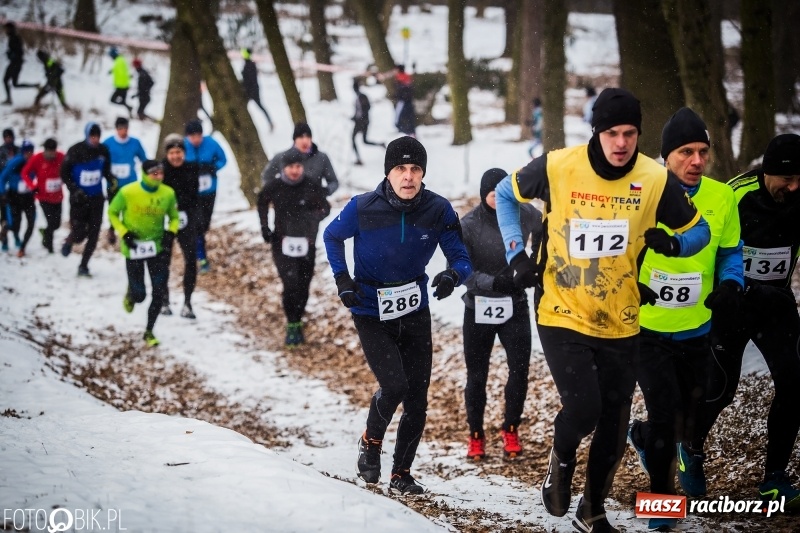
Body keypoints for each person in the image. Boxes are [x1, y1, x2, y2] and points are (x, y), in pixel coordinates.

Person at [495, 87, 710, 532]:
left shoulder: (654, 178)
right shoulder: (558, 165)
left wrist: (673, 243)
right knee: (585, 407)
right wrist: (516, 253)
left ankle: (591, 511)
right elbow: (504, 193)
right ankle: (561, 457)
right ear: (597, 132)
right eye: (612, 133)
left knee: (613, 422)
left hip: (622, 316)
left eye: (630, 133)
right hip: (562, 308)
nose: (621, 143)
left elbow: (700, 231)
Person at [323, 136, 472, 494]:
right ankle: (371, 443)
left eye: (415, 169)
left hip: (413, 307)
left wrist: (453, 276)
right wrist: (342, 279)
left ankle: (401, 474)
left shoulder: (438, 209)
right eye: (400, 169)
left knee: (417, 398)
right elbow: (331, 236)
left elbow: (462, 258)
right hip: (370, 307)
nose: (408, 177)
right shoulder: (363, 207)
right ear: (388, 173)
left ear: (423, 173)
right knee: (394, 385)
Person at [626, 108, 743, 531]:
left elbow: (730, 249)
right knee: (664, 413)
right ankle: (661, 502)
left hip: (698, 327)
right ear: (665, 156)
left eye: (702, 152)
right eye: (685, 152)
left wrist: (730, 284)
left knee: (690, 416)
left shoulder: (721, 196)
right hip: (647, 327)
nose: (696, 160)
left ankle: (641, 438)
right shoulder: (641, 192)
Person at [681, 133, 800, 510]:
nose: (794, 187)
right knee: (719, 390)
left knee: (794, 385)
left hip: (777, 306)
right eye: (787, 180)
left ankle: (774, 479)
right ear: (767, 173)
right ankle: (691, 448)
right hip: (732, 306)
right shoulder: (736, 194)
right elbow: (704, 243)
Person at [461, 168, 542, 461]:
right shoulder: (468, 224)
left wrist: (533, 262)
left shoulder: (524, 213)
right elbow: (462, 270)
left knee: (519, 371)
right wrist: (494, 282)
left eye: (501, 193)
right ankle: (476, 435)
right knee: (477, 375)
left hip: (515, 306)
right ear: (483, 194)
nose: (496, 199)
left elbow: (545, 228)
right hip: (478, 307)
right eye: (491, 194)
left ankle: (510, 428)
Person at [257, 147, 330, 346]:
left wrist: (313, 217)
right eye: (290, 167)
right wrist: (265, 227)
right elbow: (261, 201)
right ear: (283, 168)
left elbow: (326, 207)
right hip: (282, 242)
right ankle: (292, 324)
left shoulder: (311, 185)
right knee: (290, 284)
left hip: (307, 243)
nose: (295, 170)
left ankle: (298, 319)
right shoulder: (275, 186)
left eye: (298, 166)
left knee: (304, 286)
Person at [108, 160, 179, 347]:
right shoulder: (128, 192)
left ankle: (149, 331)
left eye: (160, 173)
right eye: (153, 174)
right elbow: (113, 212)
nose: (158, 177)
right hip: (134, 247)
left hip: (157, 247)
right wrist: (124, 233)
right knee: (140, 294)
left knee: (158, 291)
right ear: (144, 174)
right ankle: (131, 294)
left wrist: (171, 232)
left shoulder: (168, 193)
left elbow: (174, 217)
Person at [60, 122, 116, 277]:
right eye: (92, 136)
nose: (95, 139)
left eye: (97, 136)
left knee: (94, 233)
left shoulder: (103, 150)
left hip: (97, 198)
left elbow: (106, 171)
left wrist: (111, 180)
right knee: (80, 233)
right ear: (86, 135)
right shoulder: (75, 150)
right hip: (79, 199)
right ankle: (71, 240)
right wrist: (74, 189)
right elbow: (64, 173)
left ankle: (83, 266)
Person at [160, 133, 200, 319]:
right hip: (165, 221)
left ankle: (187, 302)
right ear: (167, 154)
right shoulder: (160, 170)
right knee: (163, 261)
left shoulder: (191, 169)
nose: (176, 156)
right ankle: (164, 300)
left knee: (191, 260)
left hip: (186, 219)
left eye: (179, 152)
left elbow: (194, 195)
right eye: (172, 153)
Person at [183, 119, 226, 273]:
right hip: (192, 194)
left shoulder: (211, 143)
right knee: (197, 225)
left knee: (204, 224)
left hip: (209, 192)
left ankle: (198, 248)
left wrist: (213, 167)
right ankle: (201, 258)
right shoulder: (182, 146)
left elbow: (223, 159)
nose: (195, 139)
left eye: (198, 136)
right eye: (192, 136)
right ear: (187, 136)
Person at [260, 122, 339, 197]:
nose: (305, 141)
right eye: (301, 137)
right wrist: (277, 194)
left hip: (313, 206)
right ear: (294, 139)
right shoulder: (282, 157)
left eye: (308, 137)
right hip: (288, 206)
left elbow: (333, 182)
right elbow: (266, 177)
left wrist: (324, 192)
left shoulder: (321, 157)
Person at [103, 116, 147, 245]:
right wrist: (107, 175)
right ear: (116, 129)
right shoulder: (108, 143)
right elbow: (103, 162)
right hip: (113, 183)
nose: (123, 131)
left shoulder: (135, 143)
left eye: (126, 128)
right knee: (113, 208)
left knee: (130, 208)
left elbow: (143, 159)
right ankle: (112, 229)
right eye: (121, 129)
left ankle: (129, 230)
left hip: (130, 183)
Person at [20, 137, 65, 254]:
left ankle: (46, 233)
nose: (52, 154)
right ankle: (49, 246)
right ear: (45, 150)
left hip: (58, 197)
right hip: (43, 197)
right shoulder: (37, 158)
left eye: (53, 151)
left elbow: (69, 168)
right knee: (51, 222)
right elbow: (24, 173)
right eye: (49, 151)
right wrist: (32, 186)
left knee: (57, 224)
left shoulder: (61, 157)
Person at [0, 139, 35, 256]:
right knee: (15, 222)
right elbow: (2, 177)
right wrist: (3, 193)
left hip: (27, 196)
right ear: (23, 152)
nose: (29, 154)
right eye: (27, 152)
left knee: (29, 221)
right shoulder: (15, 162)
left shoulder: (33, 162)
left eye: (31, 152)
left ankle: (20, 242)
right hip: (14, 196)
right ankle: (6, 236)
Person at [351, 78, 384, 165]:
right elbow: (359, 111)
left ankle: (358, 159)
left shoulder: (361, 97)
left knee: (355, 139)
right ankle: (380, 144)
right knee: (364, 141)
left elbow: (365, 109)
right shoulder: (359, 97)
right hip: (362, 121)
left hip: (362, 122)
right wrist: (354, 117)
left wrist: (360, 119)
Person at [240, 48, 274, 131]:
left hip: (252, 91)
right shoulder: (249, 64)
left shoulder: (250, 65)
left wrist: (247, 88)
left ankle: (270, 122)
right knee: (243, 108)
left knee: (258, 106)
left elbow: (250, 80)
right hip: (250, 90)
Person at [3, 22, 37, 105]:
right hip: (16, 62)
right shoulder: (13, 37)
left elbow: (19, 52)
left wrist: (11, 55)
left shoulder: (14, 38)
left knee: (6, 80)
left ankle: (9, 100)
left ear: (10, 29)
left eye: (6, 29)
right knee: (14, 84)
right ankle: (36, 86)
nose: (5, 31)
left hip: (16, 63)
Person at [0, 128, 17, 251]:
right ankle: (5, 240)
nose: (8, 139)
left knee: (16, 215)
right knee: (4, 216)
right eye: (6, 137)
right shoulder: (1, 151)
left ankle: (16, 236)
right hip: (2, 187)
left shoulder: (18, 150)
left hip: (14, 187)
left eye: (10, 137)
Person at [108, 47, 132, 116]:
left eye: (111, 56)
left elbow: (123, 73)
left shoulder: (119, 61)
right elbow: (119, 70)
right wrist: (112, 71)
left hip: (121, 86)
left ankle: (129, 109)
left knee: (112, 100)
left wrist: (125, 85)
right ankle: (129, 109)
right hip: (122, 85)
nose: (111, 57)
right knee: (122, 101)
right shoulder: (119, 60)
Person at [394, 66, 416, 137]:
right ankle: (411, 132)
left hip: (403, 101)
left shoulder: (400, 78)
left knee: (398, 120)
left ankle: (407, 132)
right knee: (409, 118)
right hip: (408, 101)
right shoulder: (407, 77)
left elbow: (401, 91)